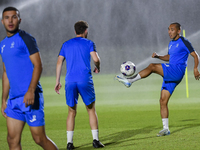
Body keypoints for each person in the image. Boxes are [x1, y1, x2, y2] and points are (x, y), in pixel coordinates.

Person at [115, 22, 200, 136]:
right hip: (171, 73)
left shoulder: (184, 41)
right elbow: (169, 57)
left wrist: (195, 68)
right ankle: (166, 129)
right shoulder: (171, 43)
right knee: (162, 101)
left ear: (178, 31)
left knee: (152, 66)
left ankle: (130, 81)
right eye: (168, 29)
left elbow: (195, 55)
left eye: (172, 29)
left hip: (176, 71)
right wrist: (159, 56)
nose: (169, 32)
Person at [0, 7, 58, 150]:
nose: (10, 20)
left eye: (14, 17)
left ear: (19, 20)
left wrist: (31, 90)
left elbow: (38, 65)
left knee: (39, 139)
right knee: (12, 140)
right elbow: (6, 72)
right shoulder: (2, 45)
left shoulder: (26, 38)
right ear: (2, 21)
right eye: (7, 18)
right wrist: (3, 99)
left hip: (31, 97)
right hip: (14, 101)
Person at [55, 20, 104, 149]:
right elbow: (96, 59)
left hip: (70, 81)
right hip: (84, 80)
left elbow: (59, 62)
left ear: (75, 31)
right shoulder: (89, 43)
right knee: (91, 110)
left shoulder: (66, 44)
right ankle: (95, 140)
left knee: (71, 112)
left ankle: (69, 143)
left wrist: (57, 81)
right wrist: (97, 67)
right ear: (86, 31)